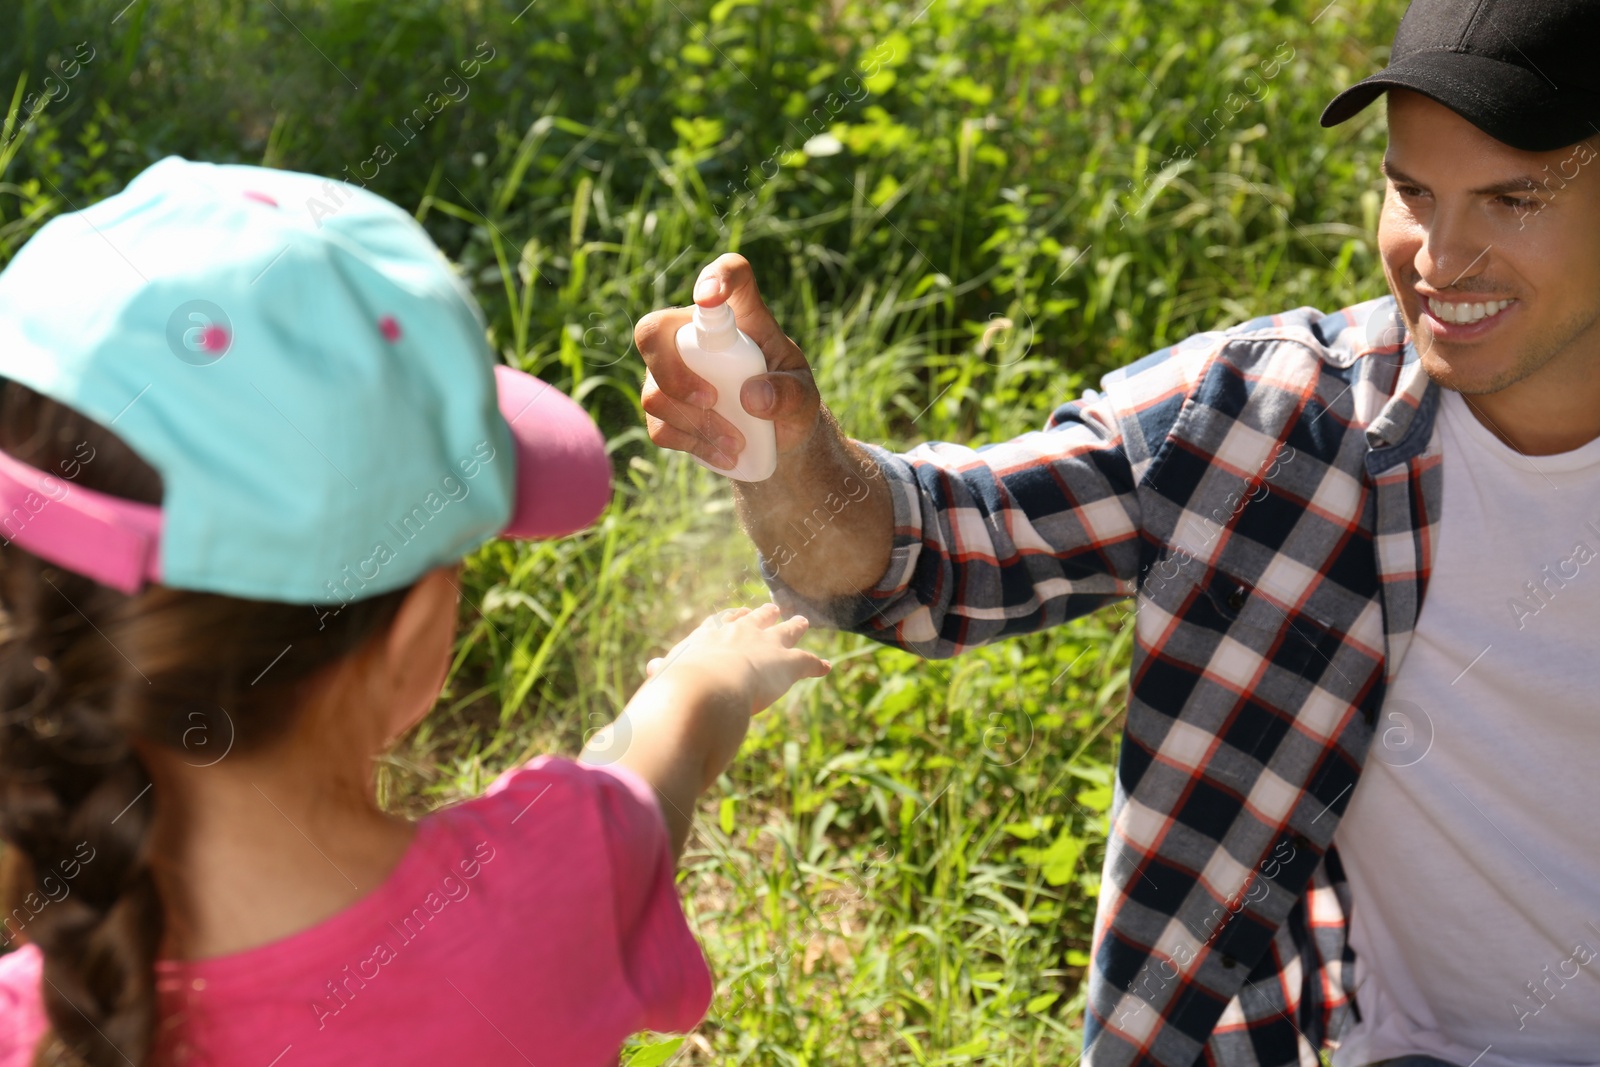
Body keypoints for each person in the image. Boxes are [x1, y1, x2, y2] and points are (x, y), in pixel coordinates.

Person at [633, 0, 1600, 1064]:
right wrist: (781, 451)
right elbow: (936, 551)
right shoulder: (1271, 422)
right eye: (1411, 191)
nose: (1440, 255)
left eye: (1512, 199)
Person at [0, 156, 831, 1067]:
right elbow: (648, 784)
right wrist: (707, 679)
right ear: (411, 636)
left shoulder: (40, 1022)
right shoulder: (549, 901)